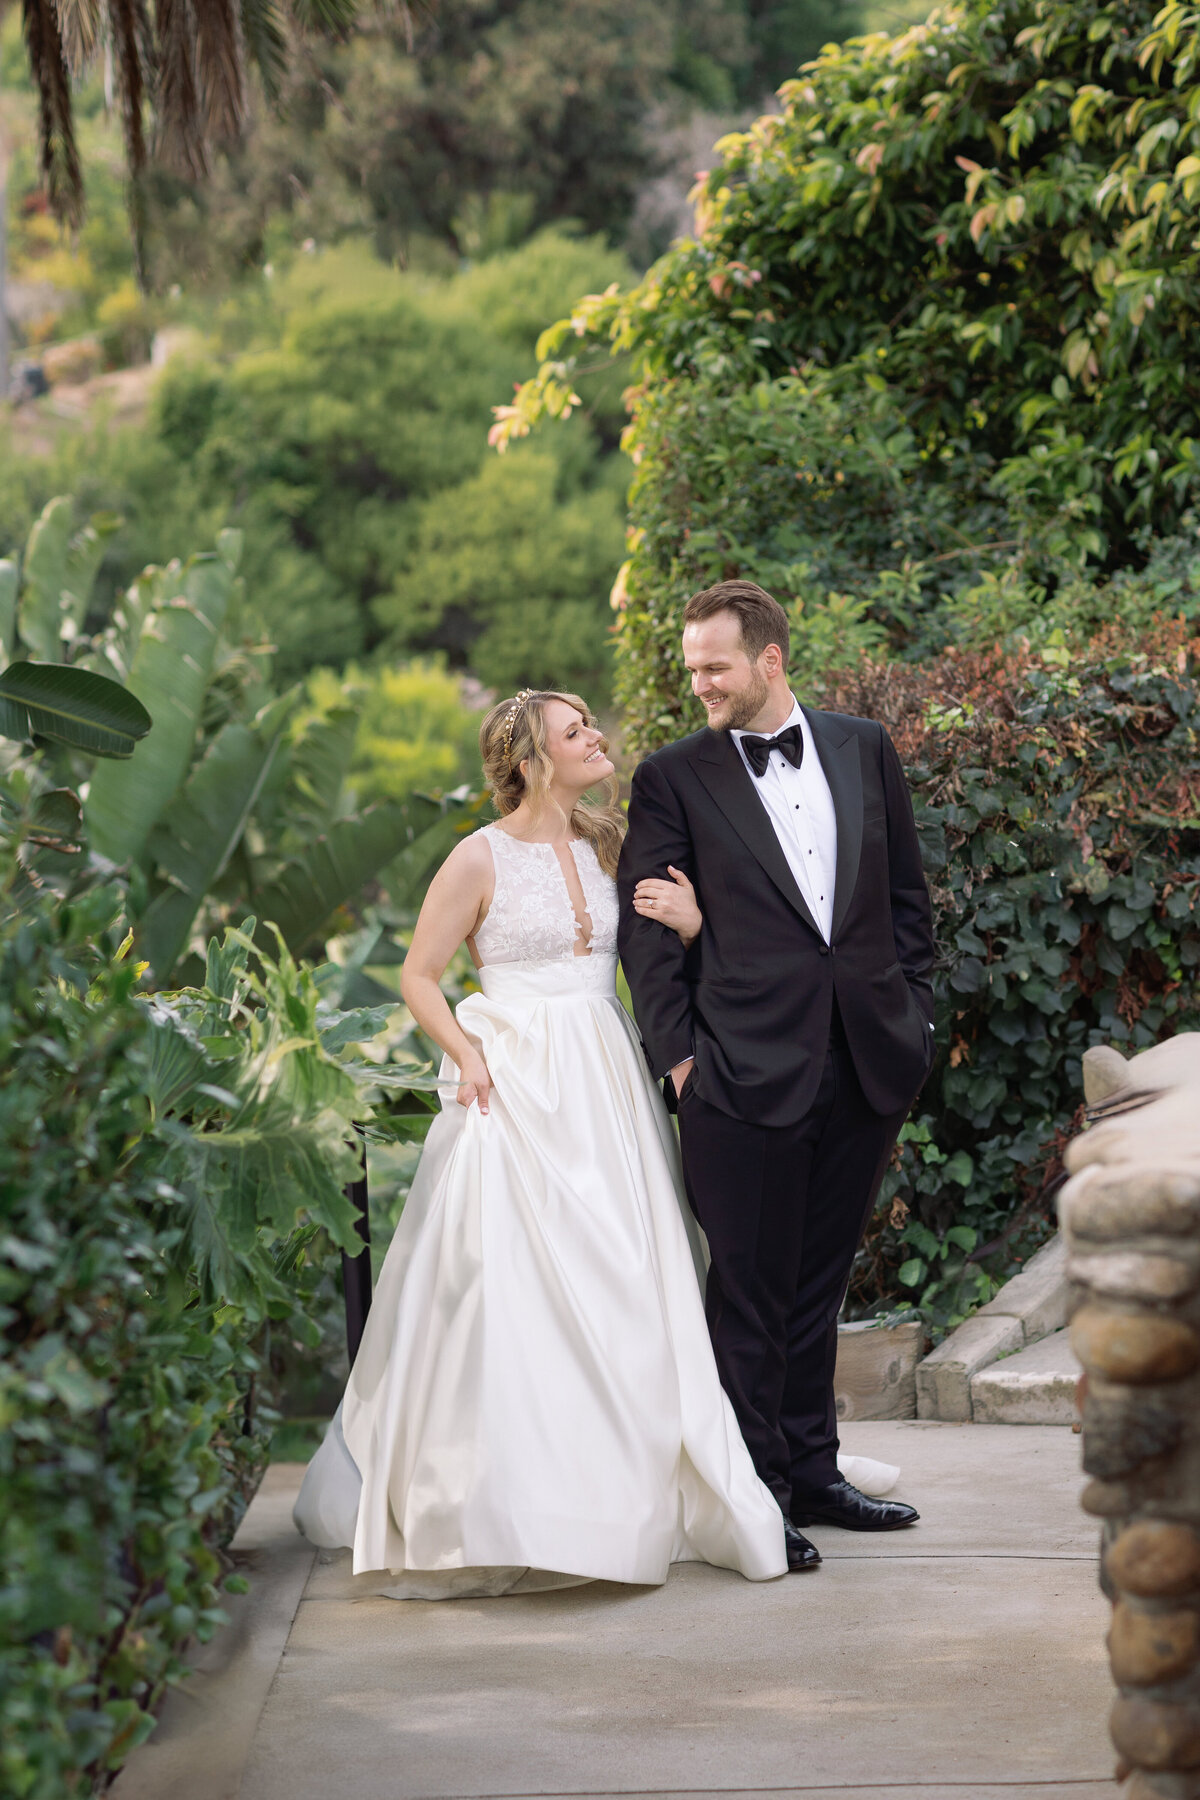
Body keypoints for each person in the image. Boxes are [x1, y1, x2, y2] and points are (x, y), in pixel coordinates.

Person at [293, 687, 799, 1597]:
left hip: (604, 1076)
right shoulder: (475, 857)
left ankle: (629, 1485)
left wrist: (695, 924)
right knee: (512, 1284)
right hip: (515, 1081)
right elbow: (419, 976)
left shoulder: (615, 840)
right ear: (532, 759)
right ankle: (509, 1503)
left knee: (627, 1276)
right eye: (575, 733)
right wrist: (466, 1057)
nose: (595, 736)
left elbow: (674, 949)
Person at [618, 580, 932, 1537]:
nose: (700, 685)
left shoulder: (863, 747)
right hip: (736, 1073)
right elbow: (646, 937)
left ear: (770, 660)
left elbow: (906, 901)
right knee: (749, 1295)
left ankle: (815, 1476)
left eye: (715, 667)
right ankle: (757, 1501)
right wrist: (680, 1064)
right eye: (692, 669)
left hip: (866, 1060)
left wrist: (913, 1020)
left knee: (819, 1283)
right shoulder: (672, 777)